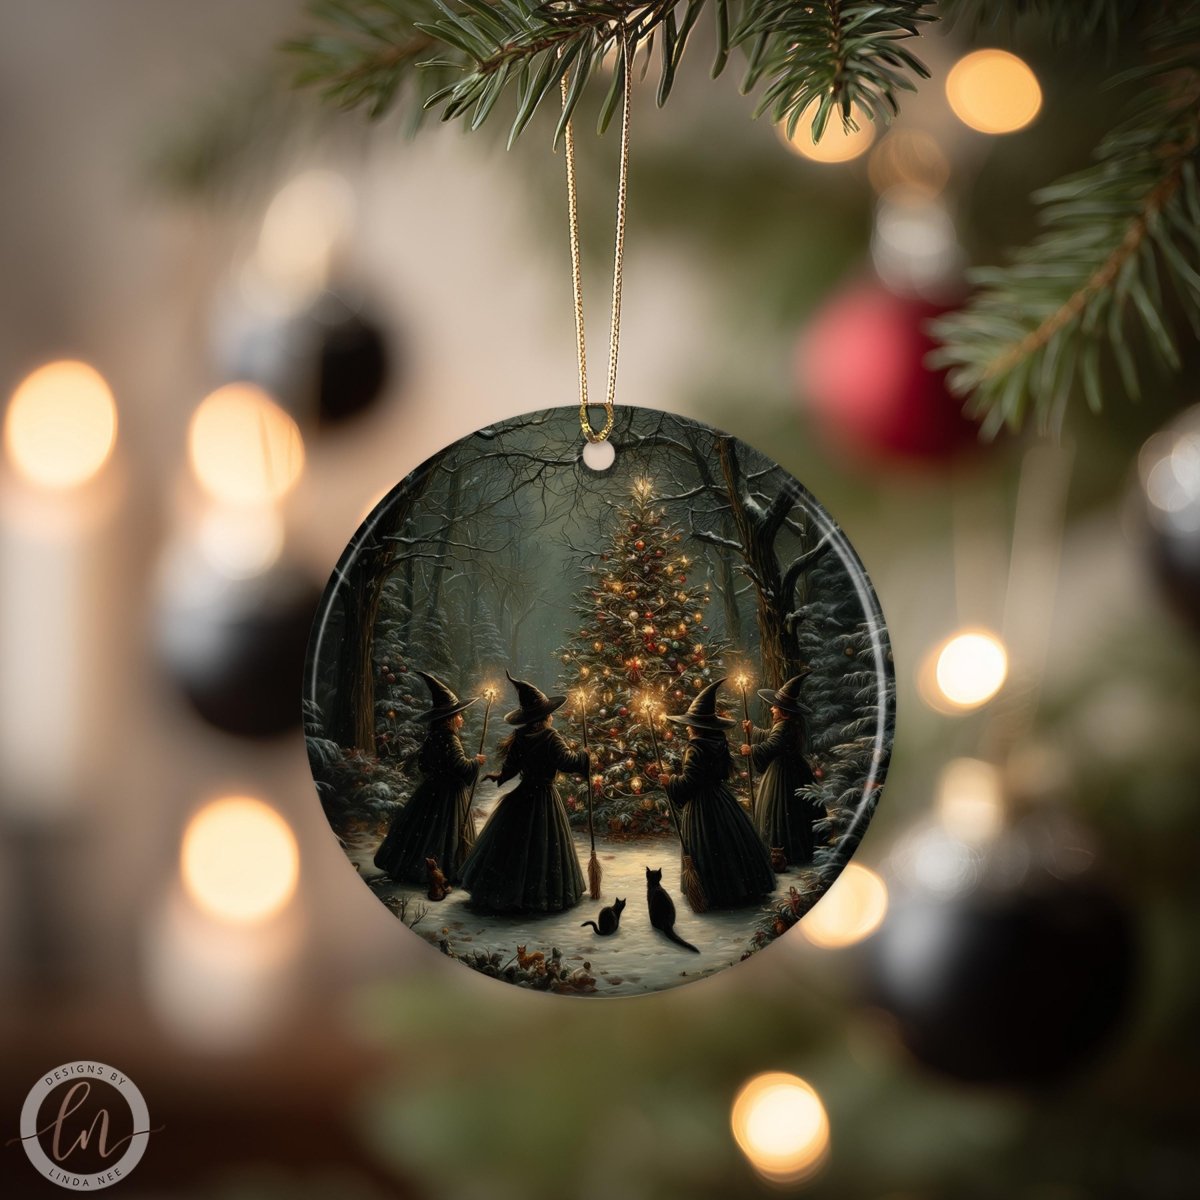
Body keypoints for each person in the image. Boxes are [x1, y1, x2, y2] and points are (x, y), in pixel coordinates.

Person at [460, 672, 588, 914]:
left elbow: (512, 766)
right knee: (542, 846)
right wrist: (584, 756)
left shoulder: (521, 736)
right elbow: (567, 762)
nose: (551, 715)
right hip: (544, 797)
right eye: (549, 712)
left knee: (516, 846)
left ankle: (510, 893)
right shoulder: (551, 736)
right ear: (545, 716)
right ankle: (538, 897)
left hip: (523, 795)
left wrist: (501, 776)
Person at [658, 679, 776, 909]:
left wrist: (669, 781)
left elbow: (690, 782)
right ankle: (738, 889)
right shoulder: (718, 742)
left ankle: (714, 892)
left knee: (707, 846)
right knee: (730, 844)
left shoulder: (695, 748)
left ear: (697, 726)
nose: (687, 728)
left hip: (702, 806)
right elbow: (718, 773)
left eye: (690, 724)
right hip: (721, 800)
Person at [374, 672, 485, 884]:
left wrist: (439, 772)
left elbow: (423, 764)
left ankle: (416, 868)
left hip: (431, 792)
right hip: (449, 796)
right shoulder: (450, 739)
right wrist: (476, 762)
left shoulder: (433, 736)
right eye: (459, 715)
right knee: (445, 833)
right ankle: (446, 872)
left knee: (423, 831)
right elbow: (460, 766)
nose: (462, 718)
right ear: (450, 718)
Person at [741, 673, 818, 869]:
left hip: (784, 775)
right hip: (793, 770)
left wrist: (752, 749)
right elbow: (771, 736)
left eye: (775, 707)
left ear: (783, 712)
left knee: (780, 812)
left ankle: (782, 854)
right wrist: (753, 731)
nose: (772, 709)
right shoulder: (787, 725)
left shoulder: (783, 727)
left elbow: (772, 745)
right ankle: (787, 852)